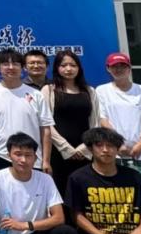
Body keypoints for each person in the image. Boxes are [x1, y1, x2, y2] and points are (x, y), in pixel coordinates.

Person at [0, 48, 54, 175]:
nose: (11, 67)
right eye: (5, 64)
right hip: (0, 156)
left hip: (32, 157)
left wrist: (46, 160)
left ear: (22, 67)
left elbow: (46, 129)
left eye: (15, 64)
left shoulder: (36, 95)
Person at [96, 52, 141, 190]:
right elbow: (103, 119)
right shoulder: (102, 91)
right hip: (114, 151)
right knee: (116, 192)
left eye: (123, 66)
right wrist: (118, 143)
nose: (119, 69)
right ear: (108, 68)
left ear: (129, 68)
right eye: (114, 66)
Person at [40, 50, 100, 196]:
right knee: (60, 192)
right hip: (58, 152)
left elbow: (95, 122)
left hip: (84, 152)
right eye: (63, 65)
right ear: (57, 68)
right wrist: (66, 148)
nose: (68, 69)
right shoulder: (49, 90)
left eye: (73, 65)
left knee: (84, 192)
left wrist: (85, 147)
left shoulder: (89, 91)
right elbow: (46, 123)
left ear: (79, 68)